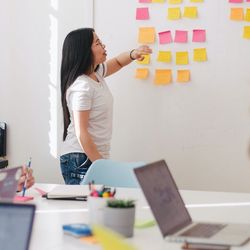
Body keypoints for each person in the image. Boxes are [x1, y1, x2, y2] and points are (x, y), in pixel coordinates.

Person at [60, 28, 152, 185]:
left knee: (100, 206)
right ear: (84, 51)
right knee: (89, 207)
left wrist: (133, 54)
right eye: (97, 43)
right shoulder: (81, 86)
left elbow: (117, 62)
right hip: (80, 158)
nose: (103, 46)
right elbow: (81, 132)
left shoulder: (96, 75)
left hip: (92, 156)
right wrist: (103, 166)